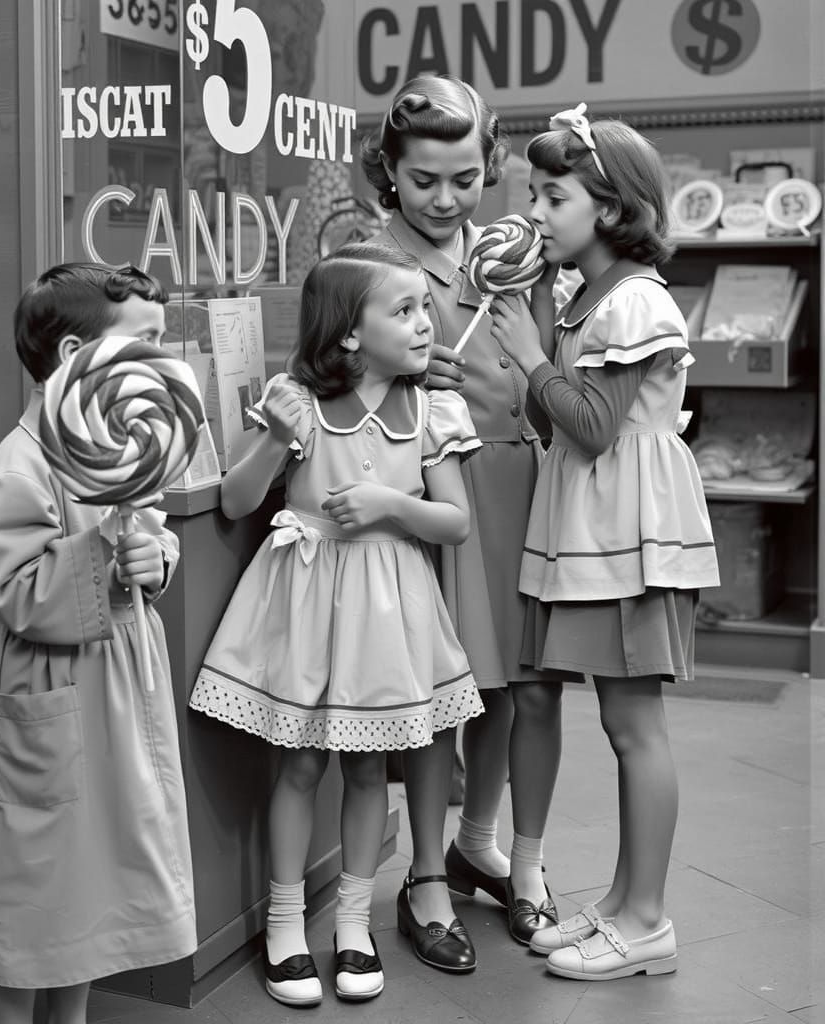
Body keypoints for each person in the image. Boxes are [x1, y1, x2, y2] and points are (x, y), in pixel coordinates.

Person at [188, 242, 485, 1006]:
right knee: (297, 762)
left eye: (425, 308)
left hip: (390, 609)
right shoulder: (299, 399)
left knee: (364, 767)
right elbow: (235, 501)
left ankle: (353, 923)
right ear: (349, 331)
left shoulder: (431, 408)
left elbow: (453, 523)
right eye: (406, 310)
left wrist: (392, 506)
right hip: (307, 599)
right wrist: (275, 437)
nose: (426, 325)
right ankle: (286, 923)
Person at [489, 103, 719, 980]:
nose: (535, 215)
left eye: (552, 197)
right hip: (601, 529)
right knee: (623, 724)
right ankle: (623, 903)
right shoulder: (588, 294)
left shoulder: (635, 301)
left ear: (611, 207)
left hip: (634, 537)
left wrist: (525, 351)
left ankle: (650, 918)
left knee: (634, 726)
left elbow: (590, 426)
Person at [0, 263, 196, 1024]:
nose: (161, 360)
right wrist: (111, 554)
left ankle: (72, 1015)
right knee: (39, 874)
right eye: (144, 341)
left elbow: (150, 538)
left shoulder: (125, 444)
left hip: (117, 679)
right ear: (77, 354)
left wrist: (155, 560)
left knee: (95, 873)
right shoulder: (21, 462)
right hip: (47, 685)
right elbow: (14, 588)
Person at [360, 72, 564, 966]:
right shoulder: (367, 263)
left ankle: (499, 852)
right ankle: (424, 878)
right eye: (424, 180)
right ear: (389, 174)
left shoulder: (516, 257)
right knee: (442, 693)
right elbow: (318, 384)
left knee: (526, 685)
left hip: (530, 486)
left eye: (465, 178)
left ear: (492, 169)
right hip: (435, 496)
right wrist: (392, 375)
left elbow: (549, 373)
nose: (445, 199)